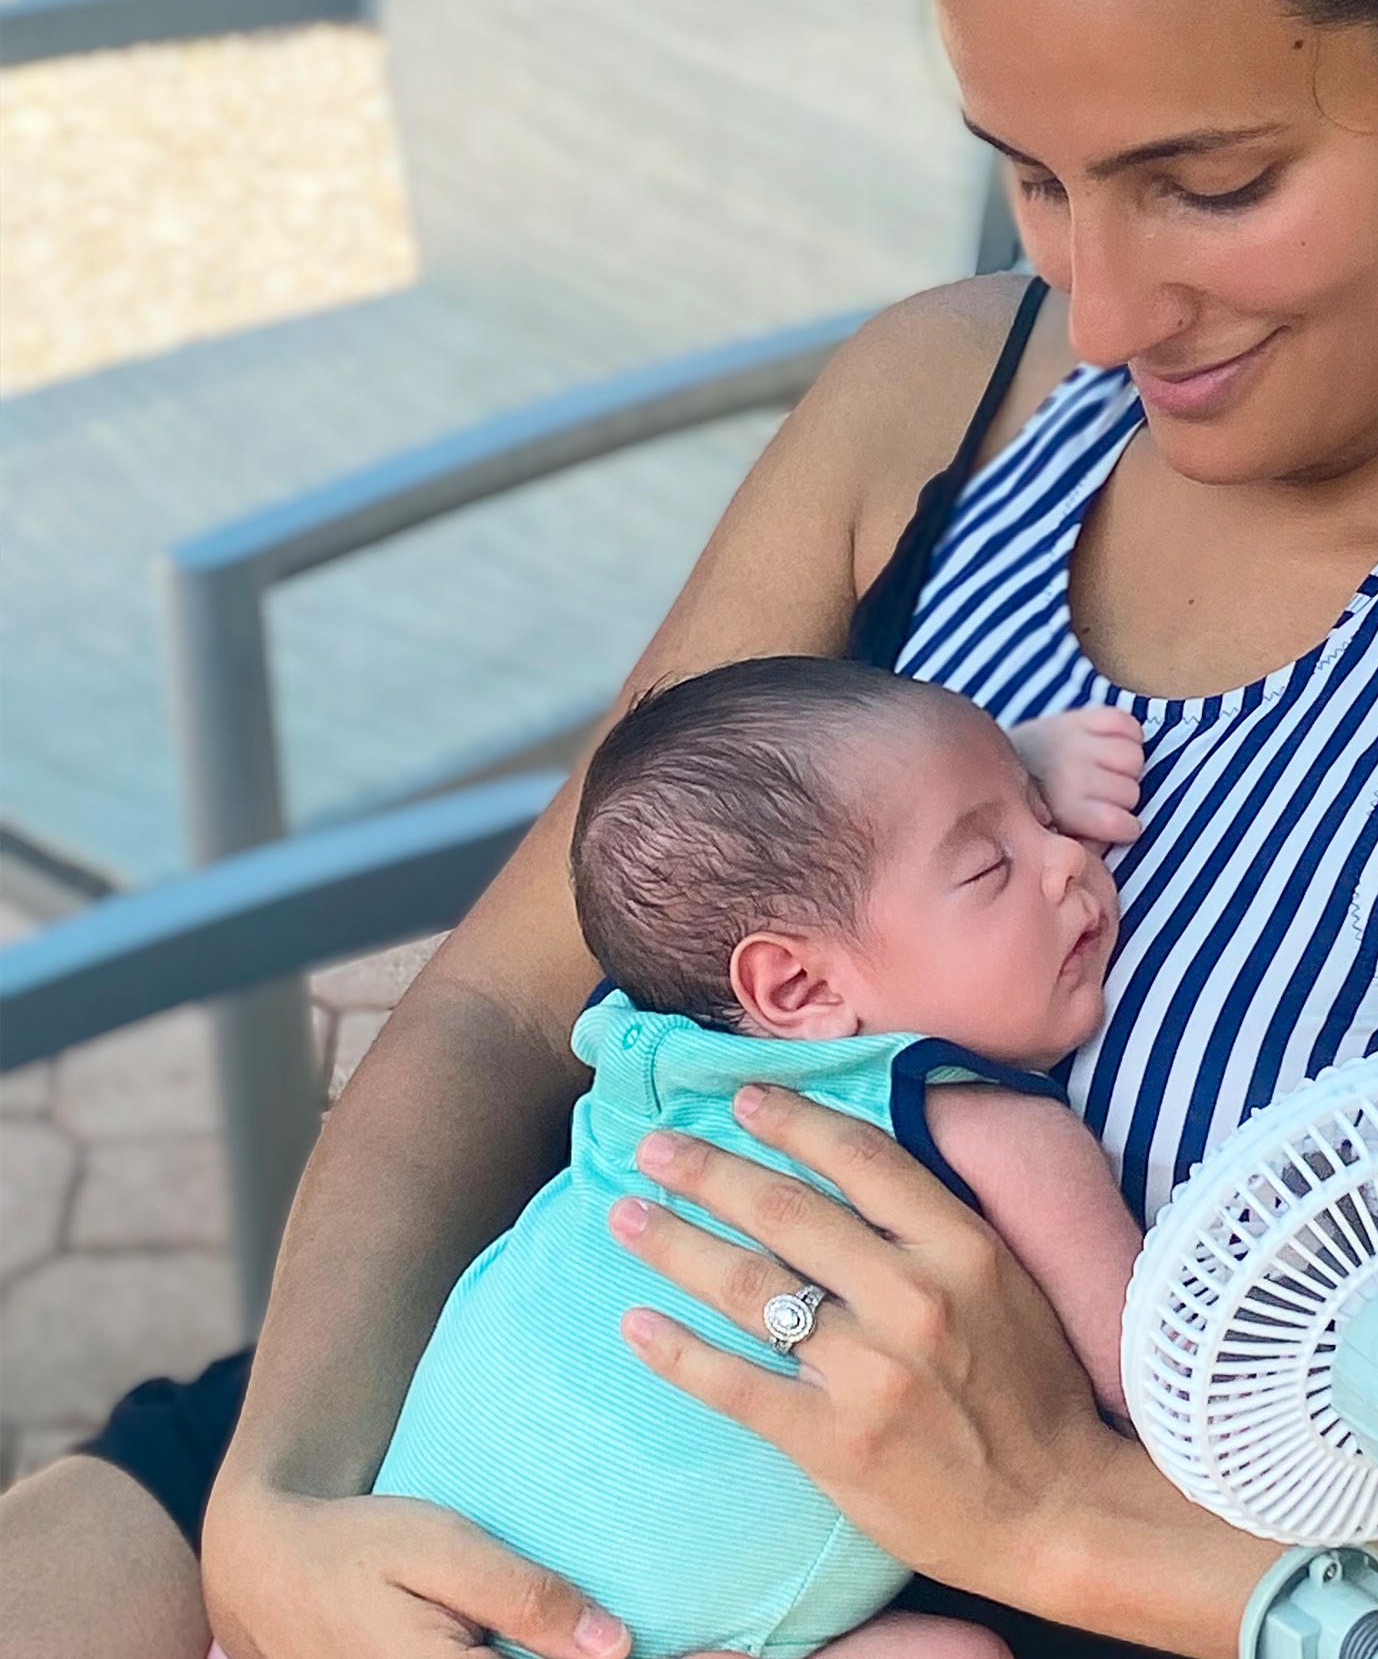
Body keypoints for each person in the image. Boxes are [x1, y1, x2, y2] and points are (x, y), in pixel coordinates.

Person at [2, 0, 1378, 1655]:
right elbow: (513, 998)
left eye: (1213, 183)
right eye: (1033, 179)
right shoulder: (945, 402)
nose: (1101, 316)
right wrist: (285, 1499)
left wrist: (1065, 1516)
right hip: (492, 1437)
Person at [368, 658, 1142, 1659]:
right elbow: (1150, 1382)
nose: (1068, 862)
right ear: (794, 986)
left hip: (420, 1578)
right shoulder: (979, 1126)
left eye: (1044, 818)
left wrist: (1005, 776)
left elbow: (727, 891)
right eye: (988, 867)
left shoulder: (645, 1051)